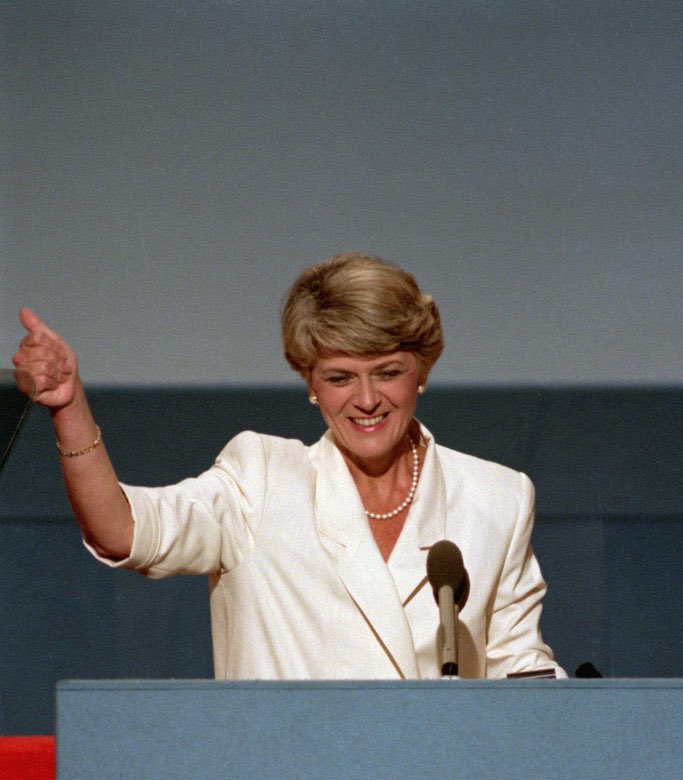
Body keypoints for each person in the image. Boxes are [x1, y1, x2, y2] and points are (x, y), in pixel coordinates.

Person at [12, 253, 565, 680]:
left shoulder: (496, 497)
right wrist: (69, 408)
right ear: (310, 383)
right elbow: (121, 531)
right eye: (340, 378)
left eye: (387, 372)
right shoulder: (262, 478)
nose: (366, 400)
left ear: (421, 371)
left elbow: (521, 670)